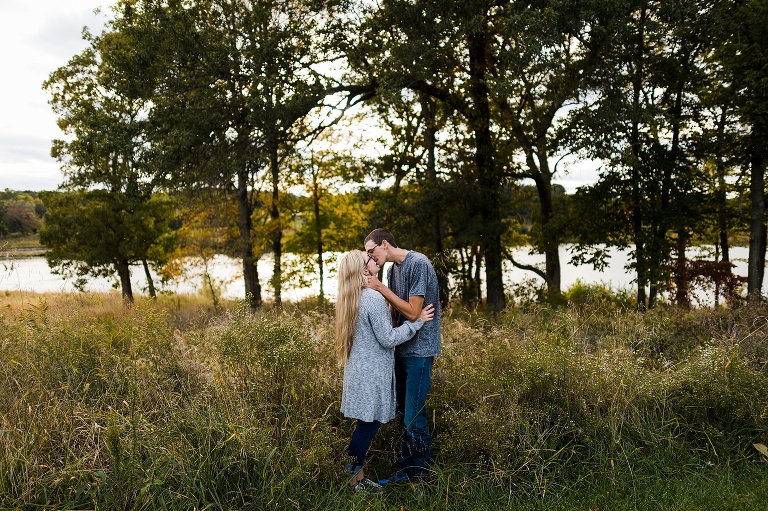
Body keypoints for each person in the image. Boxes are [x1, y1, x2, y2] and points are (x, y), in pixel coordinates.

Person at [336, 250, 436, 493]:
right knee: (367, 427)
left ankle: (356, 477)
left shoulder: (351, 296)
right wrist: (417, 322)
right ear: (364, 269)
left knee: (364, 425)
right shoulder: (371, 297)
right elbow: (388, 338)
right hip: (371, 375)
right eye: (368, 257)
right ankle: (350, 478)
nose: (374, 258)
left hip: (359, 372)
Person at [363, 228, 441, 485]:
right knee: (402, 417)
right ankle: (406, 473)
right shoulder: (392, 269)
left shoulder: (418, 263)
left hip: (420, 352)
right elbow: (395, 311)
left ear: (384, 244)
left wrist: (380, 288)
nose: (371, 259)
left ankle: (424, 478)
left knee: (414, 418)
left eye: (371, 252)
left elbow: (413, 312)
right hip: (401, 349)